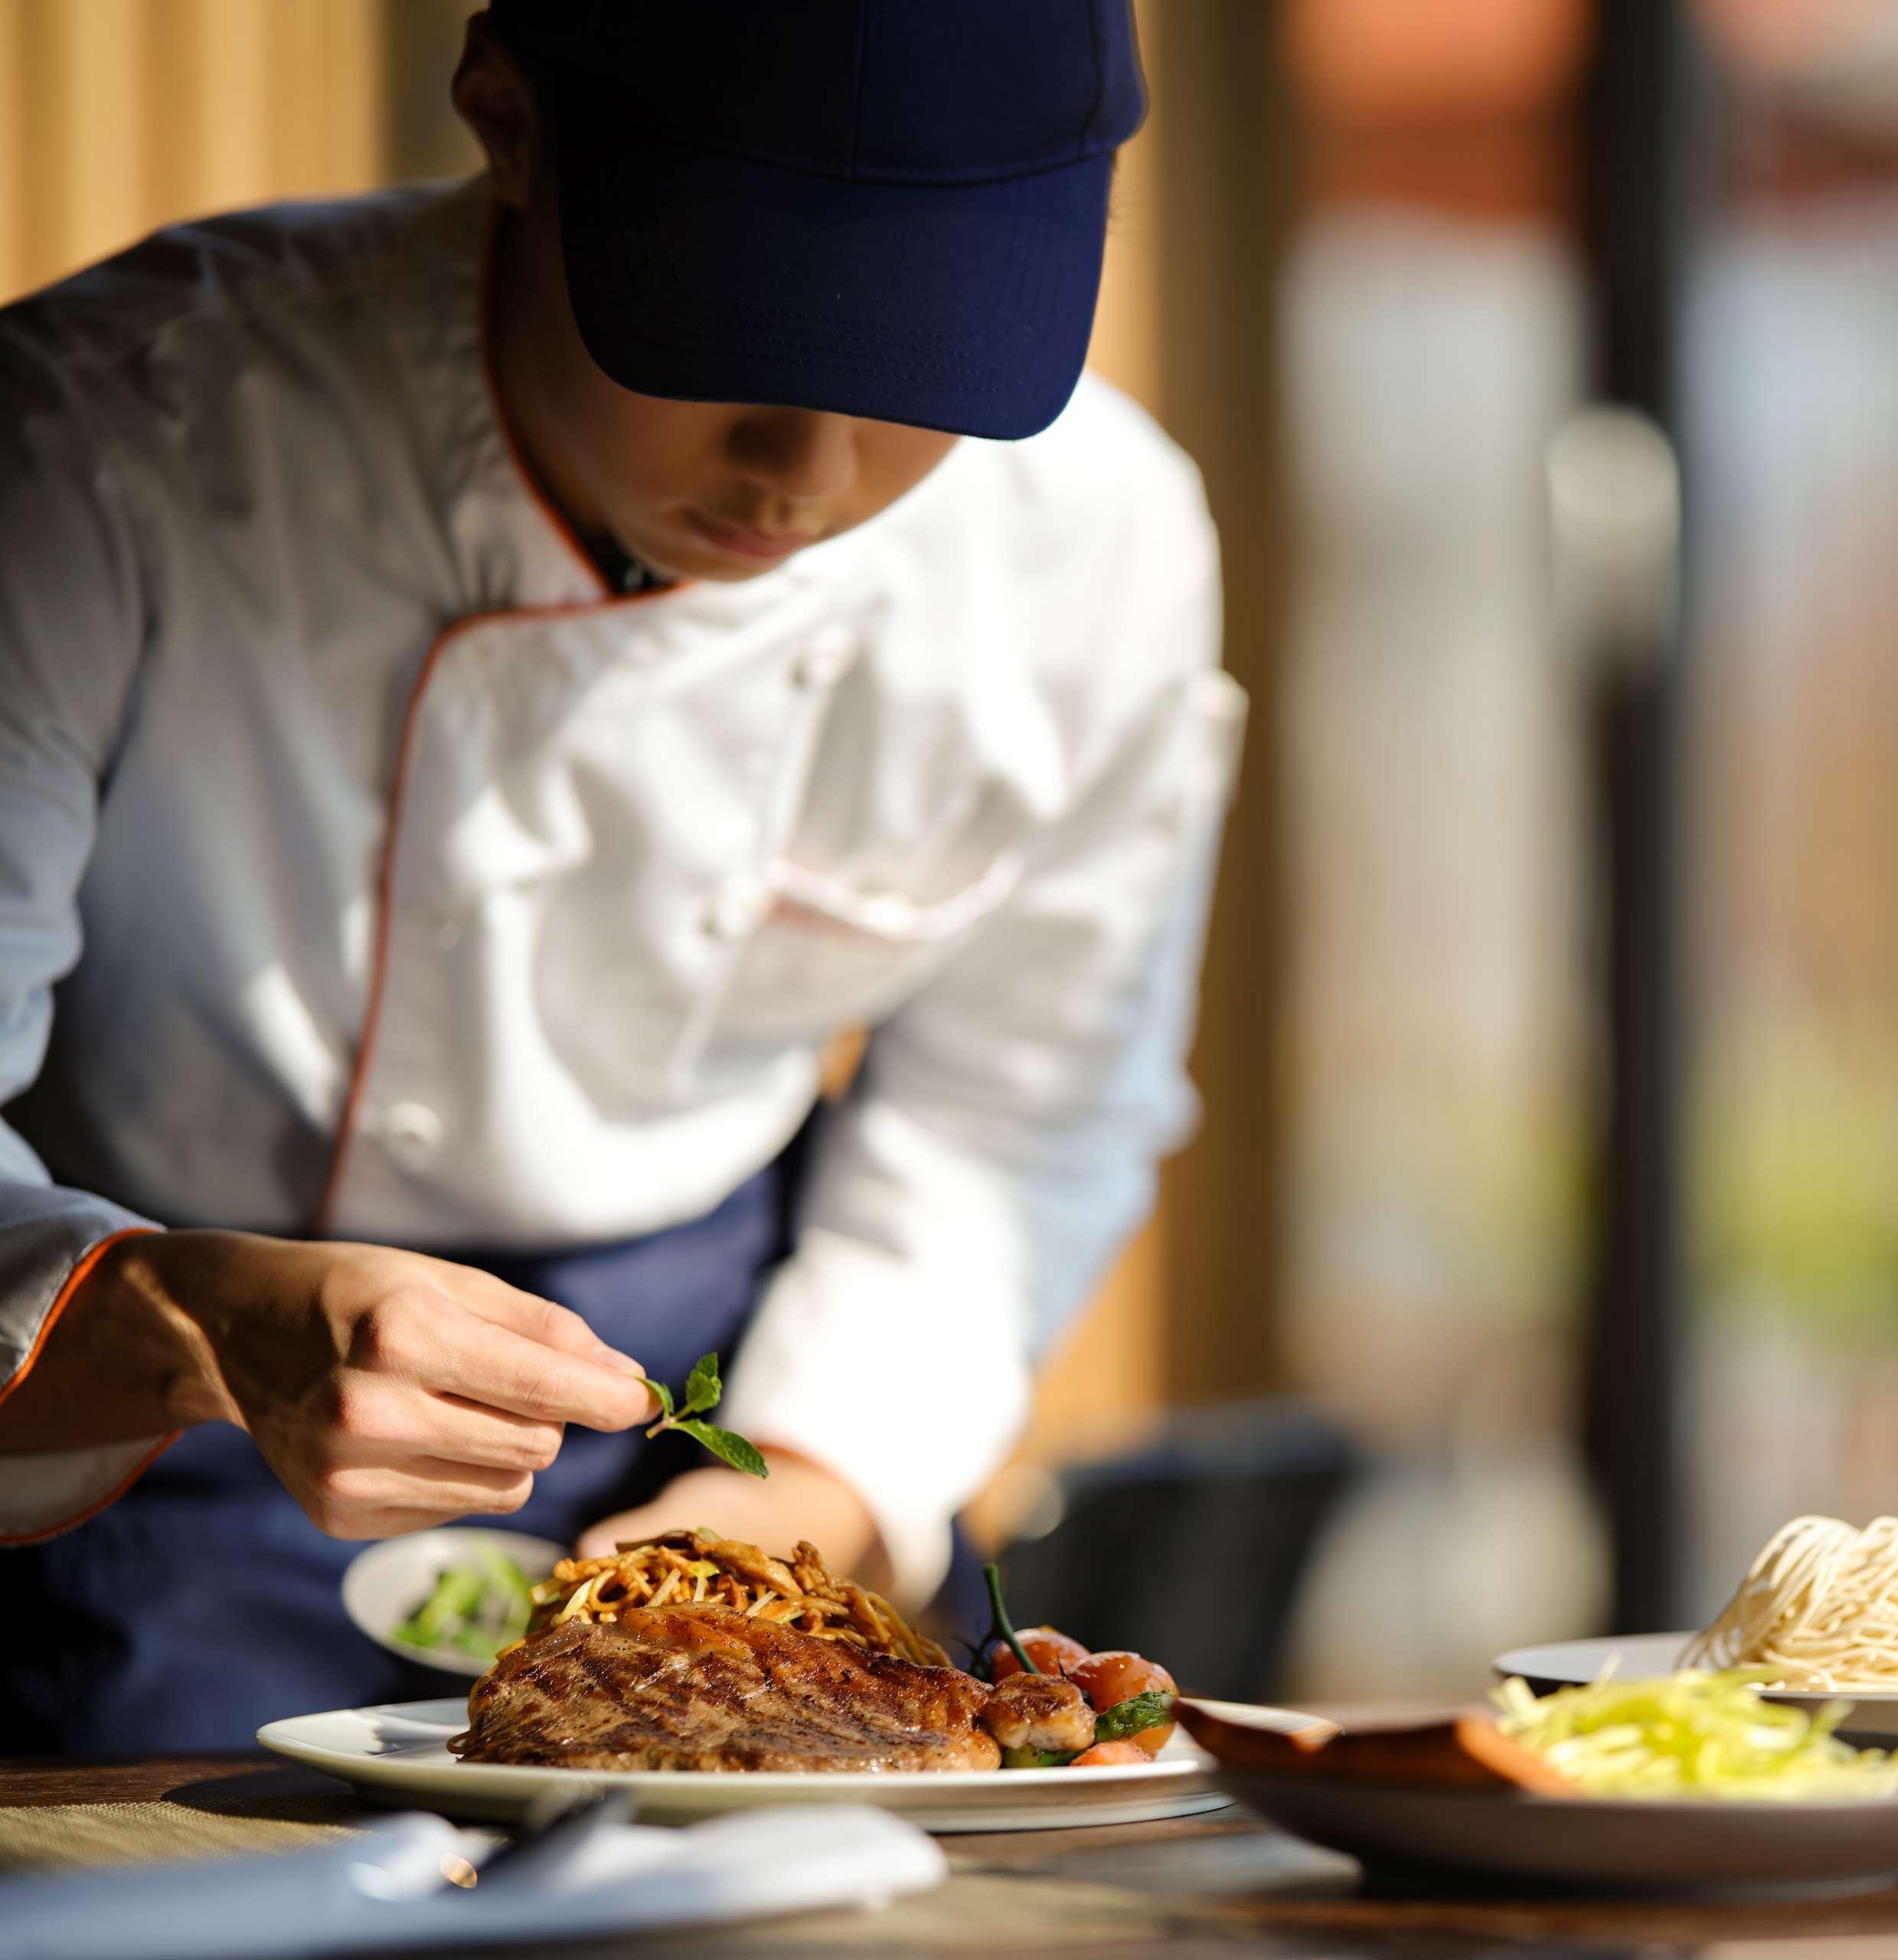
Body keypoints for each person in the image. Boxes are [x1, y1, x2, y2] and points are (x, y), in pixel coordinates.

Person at [0, 0, 1235, 1753]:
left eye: (920, 376)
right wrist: (186, 1308)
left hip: (737, 1377)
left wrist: (810, 1478)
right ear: (509, 123)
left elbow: (1020, 1111)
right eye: (725, 339)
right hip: (160, 1415)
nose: (804, 480)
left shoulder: (1091, 545)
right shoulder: (102, 444)